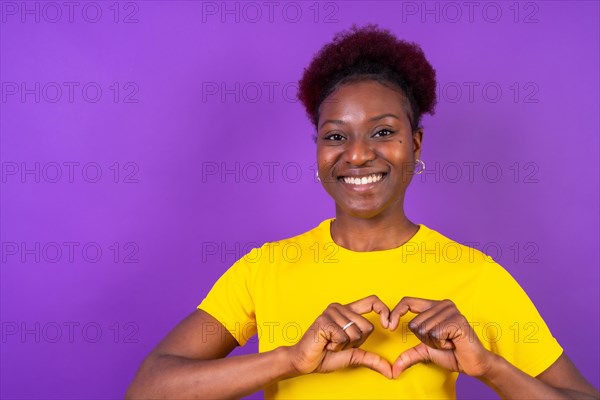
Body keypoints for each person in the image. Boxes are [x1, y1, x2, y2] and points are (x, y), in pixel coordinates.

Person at [126, 24, 599, 399]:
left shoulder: (475, 275)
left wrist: (491, 369)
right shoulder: (265, 269)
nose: (356, 155)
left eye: (382, 132)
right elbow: (148, 390)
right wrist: (289, 360)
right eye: (336, 136)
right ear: (317, 153)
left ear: (415, 145)